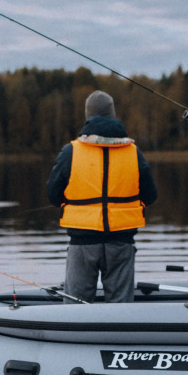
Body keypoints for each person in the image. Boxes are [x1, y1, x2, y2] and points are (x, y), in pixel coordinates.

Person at [47, 90, 157, 303]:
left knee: (75, 306)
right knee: (120, 308)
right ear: (113, 115)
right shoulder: (134, 152)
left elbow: (53, 195)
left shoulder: (71, 152)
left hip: (82, 242)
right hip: (121, 242)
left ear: (87, 116)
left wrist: (72, 205)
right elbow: (150, 195)